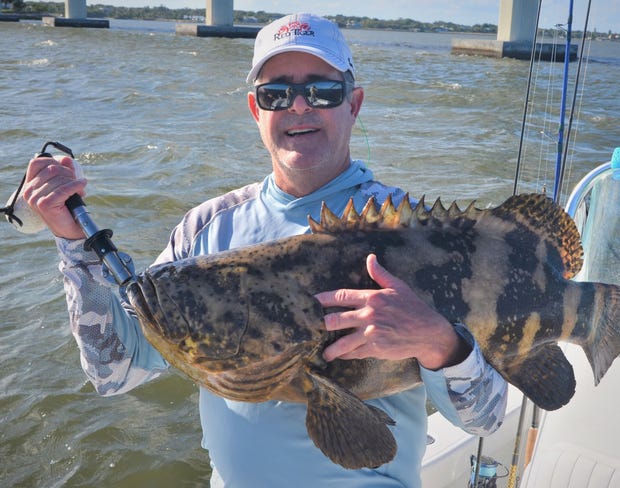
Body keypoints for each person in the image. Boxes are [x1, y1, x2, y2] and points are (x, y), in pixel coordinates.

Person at [23, 13, 508, 488]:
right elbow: (113, 373)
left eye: (322, 90)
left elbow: (486, 420)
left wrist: (438, 343)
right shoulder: (204, 231)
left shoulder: (413, 230)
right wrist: (72, 243)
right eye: (277, 93)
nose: (299, 107)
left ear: (354, 104)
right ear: (256, 110)